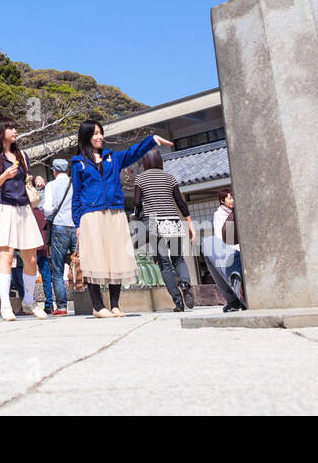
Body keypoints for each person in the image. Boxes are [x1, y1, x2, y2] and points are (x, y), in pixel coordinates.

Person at [70, 120, 171, 318]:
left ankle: (115, 305)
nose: (100, 137)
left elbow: (132, 152)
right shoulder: (78, 162)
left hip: (115, 213)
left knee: (116, 257)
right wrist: (77, 222)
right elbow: (77, 193)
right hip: (91, 215)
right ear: (86, 136)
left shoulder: (112, 157)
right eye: (95, 133)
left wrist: (151, 140)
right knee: (94, 260)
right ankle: (98, 307)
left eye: (101, 132)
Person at [0, 119, 46, 321]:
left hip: (23, 208)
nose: (15, 131)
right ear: (1, 132)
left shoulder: (22, 155)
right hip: (3, 207)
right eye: (10, 128)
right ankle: (6, 305)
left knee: (31, 258)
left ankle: (28, 300)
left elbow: (25, 180)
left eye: (14, 127)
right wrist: (4, 177)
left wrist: (35, 179)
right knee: (6, 257)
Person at [133, 148, 197, 312]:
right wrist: (189, 223)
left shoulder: (140, 179)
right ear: (159, 161)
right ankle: (184, 283)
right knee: (178, 259)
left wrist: (140, 216)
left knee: (164, 264)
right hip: (172, 220)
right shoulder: (170, 178)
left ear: (145, 162)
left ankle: (178, 302)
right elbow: (180, 203)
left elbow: (137, 202)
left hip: (153, 221)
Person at [42, 159, 76, 317]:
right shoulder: (75, 184)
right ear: (68, 171)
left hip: (59, 227)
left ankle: (62, 306)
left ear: (54, 171)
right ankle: (89, 300)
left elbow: (48, 210)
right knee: (81, 263)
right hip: (76, 227)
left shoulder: (50, 186)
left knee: (57, 268)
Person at [206, 189, 247, 311]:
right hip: (229, 248)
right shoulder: (219, 215)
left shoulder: (235, 212)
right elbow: (221, 237)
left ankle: (234, 299)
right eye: (229, 198)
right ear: (222, 201)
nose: (232, 200)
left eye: (232, 198)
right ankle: (235, 295)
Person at [30, 175, 53, 315]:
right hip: (43, 248)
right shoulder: (42, 214)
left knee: (29, 277)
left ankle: (30, 302)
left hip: (31, 249)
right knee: (46, 276)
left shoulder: (28, 214)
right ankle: (49, 303)